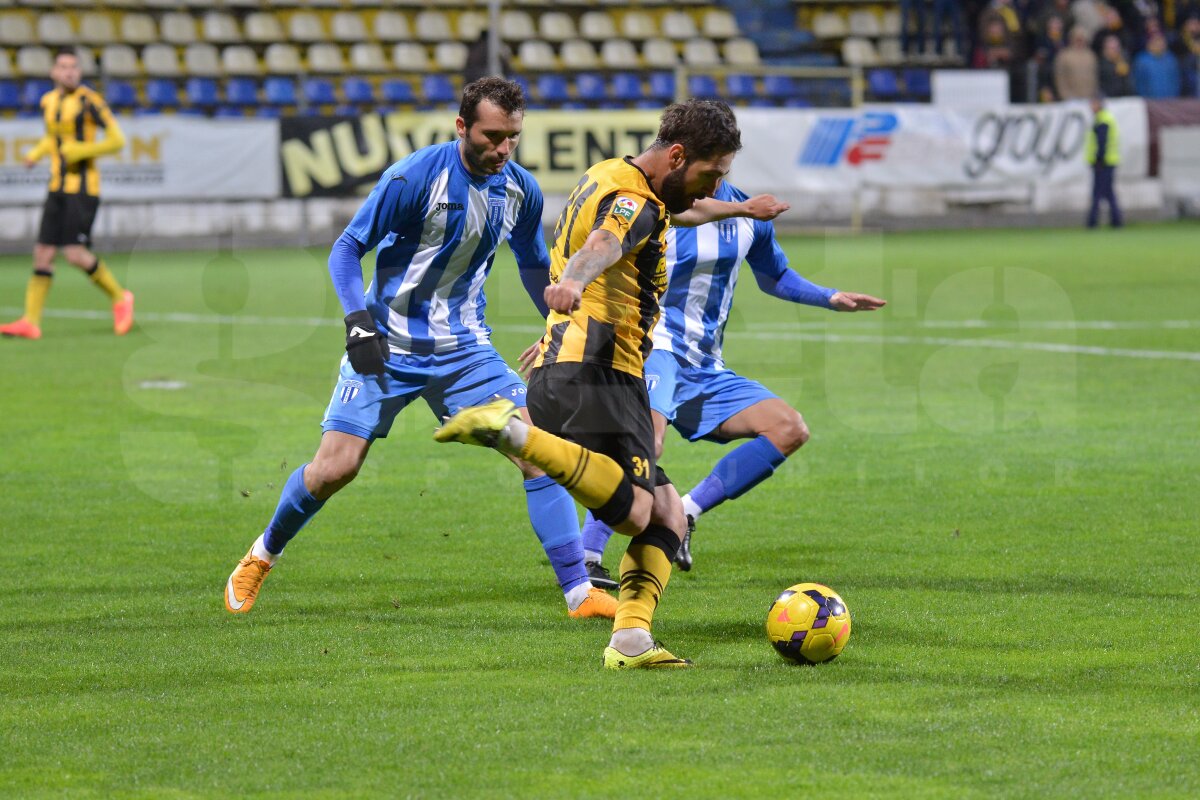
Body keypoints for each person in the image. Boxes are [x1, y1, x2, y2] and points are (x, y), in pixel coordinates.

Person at [224, 78, 620, 621]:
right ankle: (261, 555)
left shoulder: (521, 190)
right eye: (492, 136)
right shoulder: (414, 177)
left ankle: (579, 592)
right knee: (335, 469)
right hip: (387, 344)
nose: (503, 149)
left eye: (513, 137)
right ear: (462, 127)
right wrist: (358, 324)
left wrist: (558, 323)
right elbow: (346, 249)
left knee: (536, 448)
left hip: (465, 352)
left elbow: (533, 266)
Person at [435, 100, 774, 669]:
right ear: (676, 155)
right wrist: (569, 281)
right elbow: (606, 243)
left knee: (668, 512)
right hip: (600, 373)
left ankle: (630, 640)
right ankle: (514, 434)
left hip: (565, 370)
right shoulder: (635, 202)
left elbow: (666, 214)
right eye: (712, 175)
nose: (714, 186)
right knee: (639, 515)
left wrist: (732, 211)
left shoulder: (610, 175)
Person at [577, 179, 885, 578]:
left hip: (706, 364)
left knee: (788, 427)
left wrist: (829, 296)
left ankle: (686, 511)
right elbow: (603, 263)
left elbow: (774, 275)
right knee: (646, 440)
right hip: (654, 346)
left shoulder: (748, 212)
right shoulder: (657, 204)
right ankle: (587, 554)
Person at [1, 48, 132, 341]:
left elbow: (117, 140)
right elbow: (53, 137)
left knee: (74, 254)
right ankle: (30, 321)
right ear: (54, 72)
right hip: (56, 186)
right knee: (43, 253)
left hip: (83, 188)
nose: (69, 72)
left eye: (74, 67)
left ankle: (120, 298)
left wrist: (82, 150)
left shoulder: (90, 102)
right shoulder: (49, 101)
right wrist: (35, 154)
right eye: (63, 66)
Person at [1086, 95, 1123, 228]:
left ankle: (1092, 222)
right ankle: (1116, 221)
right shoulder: (1104, 118)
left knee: (1098, 193)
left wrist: (1098, 160)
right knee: (1108, 193)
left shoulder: (1103, 120)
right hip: (1108, 161)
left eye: (1093, 103)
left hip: (1104, 162)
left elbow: (1102, 142)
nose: (1090, 106)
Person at [1055, 26, 1101, 100]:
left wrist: (1094, 93)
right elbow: (1060, 78)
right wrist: (1065, 95)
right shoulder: (1064, 56)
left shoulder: (1091, 55)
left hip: (1089, 97)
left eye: (1082, 39)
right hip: (1071, 98)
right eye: (1077, 39)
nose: (1080, 41)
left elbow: (1095, 76)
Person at [1133, 31, 1182, 96]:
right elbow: (1138, 82)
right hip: (1149, 101)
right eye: (1156, 41)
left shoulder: (1171, 59)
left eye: (1162, 41)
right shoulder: (1141, 60)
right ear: (1149, 43)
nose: (1160, 44)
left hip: (1171, 101)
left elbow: (1176, 80)